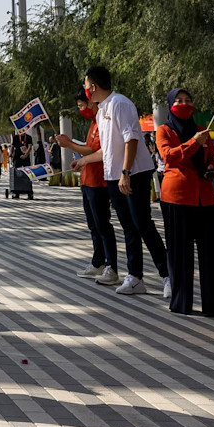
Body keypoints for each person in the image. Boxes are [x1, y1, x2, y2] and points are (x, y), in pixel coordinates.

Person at [83, 66, 167, 297]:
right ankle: (135, 277)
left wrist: (126, 172)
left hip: (133, 174)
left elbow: (132, 139)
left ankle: (168, 274)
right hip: (114, 175)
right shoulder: (101, 111)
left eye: (85, 85)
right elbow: (107, 149)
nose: (85, 89)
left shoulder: (120, 103)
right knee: (129, 228)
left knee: (143, 224)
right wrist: (83, 161)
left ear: (94, 86)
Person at [153, 87, 214, 318]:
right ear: (170, 105)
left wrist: (211, 169)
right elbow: (169, 156)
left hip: (205, 198)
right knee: (179, 252)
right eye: (178, 101)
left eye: (188, 100)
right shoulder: (164, 130)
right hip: (177, 196)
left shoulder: (200, 130)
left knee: (213, 253)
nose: (184, 104)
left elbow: (213, 160)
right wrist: (194, 142)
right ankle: (181, 302)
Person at [57, 96, 119, 285]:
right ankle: (98, 262)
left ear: (92, 102)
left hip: (99, 181)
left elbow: (95, 150)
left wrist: (69, 145)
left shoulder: (102, 120)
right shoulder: (93, 122)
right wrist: (80, 161)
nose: (81, 109)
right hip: (88, 180)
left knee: (103, 225)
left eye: (82, 105)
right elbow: (89, 151)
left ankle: (112, 267)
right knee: (93, 225)